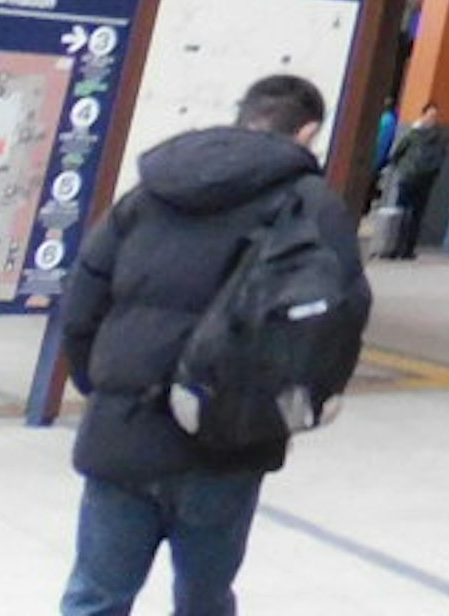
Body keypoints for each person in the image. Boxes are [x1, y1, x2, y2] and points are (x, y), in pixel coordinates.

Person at [57, 72, 372, 616]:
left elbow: (83, 299)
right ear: (307, 131)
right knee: (205, 597)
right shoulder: (309, 200)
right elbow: (344, 310)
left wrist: (103, 384)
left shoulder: (150, 191)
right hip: (231, 431)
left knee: (96, 595)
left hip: (123, 425)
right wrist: (306, 401)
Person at [372, 102, 449, 262]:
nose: (432, 119)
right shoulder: (430, 136)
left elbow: (397, 154)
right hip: (415, 178)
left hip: (414, 177)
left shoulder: (417, 134)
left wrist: (400, 167)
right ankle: (402, 248)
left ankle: (402, 248)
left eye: (434, 117)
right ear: (424, 115)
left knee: (408, 213)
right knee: (408, 214)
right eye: (430, 115)